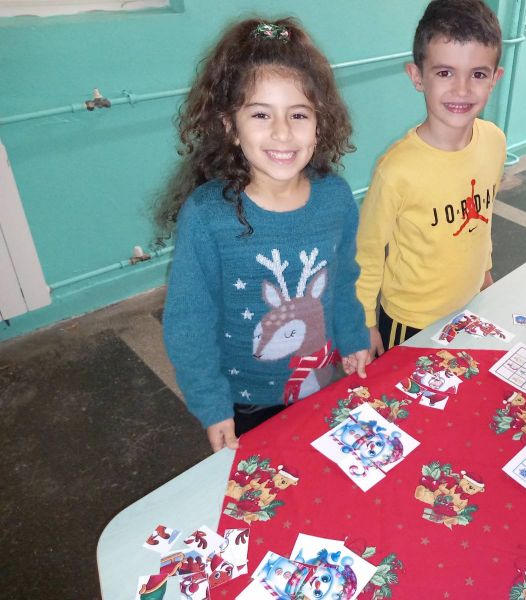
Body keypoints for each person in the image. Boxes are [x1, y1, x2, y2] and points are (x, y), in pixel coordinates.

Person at [156, 18, 370, 452]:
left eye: (298, 114)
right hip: (244, 402)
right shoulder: (207, 216)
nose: (282, 132)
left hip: (321, 379)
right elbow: (189, 322)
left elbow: (343, 280)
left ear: (320, 124)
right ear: (230, 126)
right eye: (260, 114)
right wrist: (212, 405)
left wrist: (353, 337)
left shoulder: (336, 198)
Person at [355, 0, 506, 355]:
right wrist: (364, 321)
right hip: (410, 321)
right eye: (445, 73)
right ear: (417, 77)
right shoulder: (397, 170)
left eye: (478, 74)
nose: (462, 89)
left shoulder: (494, 142)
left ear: (494, 80)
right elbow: (367, 252)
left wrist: (485, 273)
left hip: (470, 304)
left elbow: (482, 221)